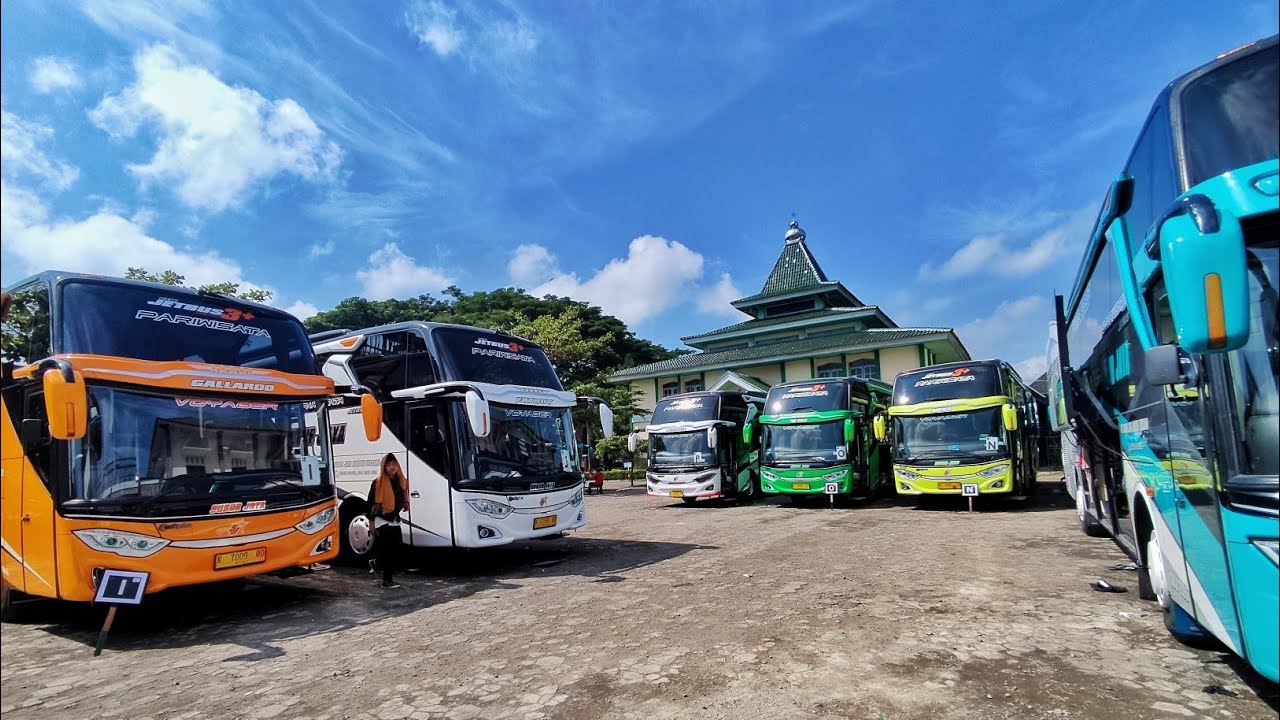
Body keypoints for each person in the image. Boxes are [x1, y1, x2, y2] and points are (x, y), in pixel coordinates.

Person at [367, 453, 409, 589]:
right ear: (383, 467)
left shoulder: (401, 481)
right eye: (388, 464)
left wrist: (406, 503)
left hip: (394, 519)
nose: (392, 467)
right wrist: (371, 522)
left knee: (396, 548)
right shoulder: (378, 483)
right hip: (382, 519)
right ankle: (387, 580)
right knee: (388, 551)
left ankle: (376, 562)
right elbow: (370, 503)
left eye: (394, 464)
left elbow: (404, 496)